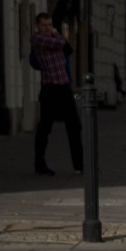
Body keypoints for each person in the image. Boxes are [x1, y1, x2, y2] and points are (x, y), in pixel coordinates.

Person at [30, 12, 83, 176]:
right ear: (37, 26)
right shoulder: (37, 39)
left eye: (50, 24)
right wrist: (56, 34)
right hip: (50, 88)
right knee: (45, 128)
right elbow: (61, 43)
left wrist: (57, 34)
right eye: (44, 25)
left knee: (74, 126)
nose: (48, 28)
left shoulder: (52, 37)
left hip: (64, 87)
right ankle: (39, 164)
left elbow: (68, 47)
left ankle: (80, 164)